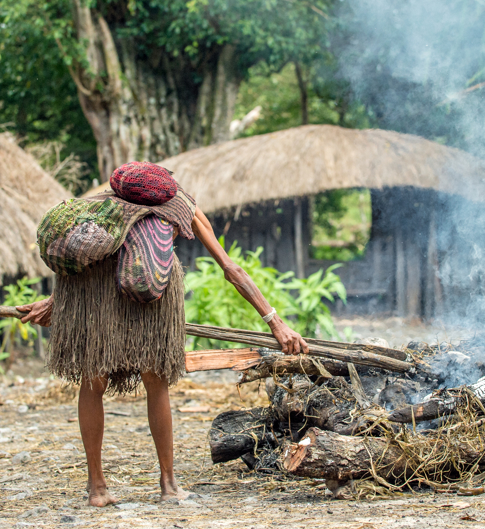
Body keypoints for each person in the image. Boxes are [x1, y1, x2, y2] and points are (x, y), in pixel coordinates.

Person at [17, 169, 307, 507]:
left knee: (92, 382)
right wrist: (276, 322)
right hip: (150, 304)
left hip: (95, 302)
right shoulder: (181, 205)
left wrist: (56, 303)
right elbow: (230, 269)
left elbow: (85, 262)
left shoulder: (103, 207)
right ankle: (169, 485)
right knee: (156, 382)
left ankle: (97, 488)